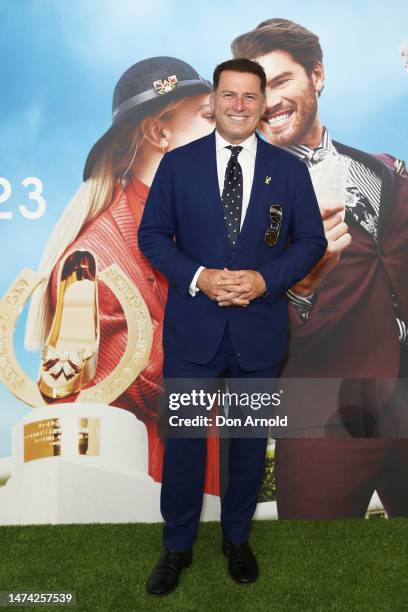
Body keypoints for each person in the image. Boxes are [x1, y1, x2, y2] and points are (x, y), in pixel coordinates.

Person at [139, 58, 326, 595]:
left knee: (247, 442)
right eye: (230, 95)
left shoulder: (288, 171)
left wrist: (265, 282)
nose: (240, 105)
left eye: (250, 96)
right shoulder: (178, 165)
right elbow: (153, 237)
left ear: (263, 103)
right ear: (215, 101)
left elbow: (310, 242)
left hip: (259, 335)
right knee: (186, 443)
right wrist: (200, 276)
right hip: (193, 334)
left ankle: (237, 539)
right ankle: (176, 547)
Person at [232, 19, 408, 519]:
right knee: (314, 578)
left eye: (280, 82)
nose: (267, 102)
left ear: (318, 76)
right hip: (321, 420)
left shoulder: (381, 168)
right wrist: (302, 290)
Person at [24, 56, 220, 495]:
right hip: (145, 493)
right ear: (158, 133)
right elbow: (160, 387)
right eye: (209, 117)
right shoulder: (90, 263)